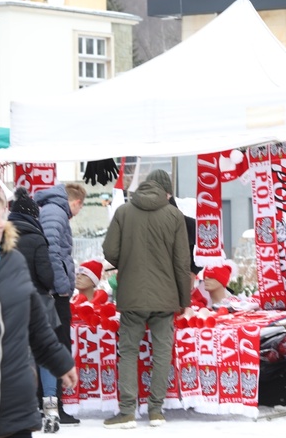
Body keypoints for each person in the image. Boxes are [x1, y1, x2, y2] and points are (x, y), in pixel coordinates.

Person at [0, 187, 78, 438]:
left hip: (17, 402)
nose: (1, 224)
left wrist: (61, 361)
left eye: (2, 216)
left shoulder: (13, 262)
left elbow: (36, 324)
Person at [102, 169, 191, 429]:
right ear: (166, 190)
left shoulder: (124, 212)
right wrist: (184, 299)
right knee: (162, 351)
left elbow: (109, 250)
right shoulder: (175, 216)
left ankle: (127, 411)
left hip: (132, 294)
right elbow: (181, 261)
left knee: (128, 351)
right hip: (166, 296)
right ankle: (156, 411)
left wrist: (126, 264)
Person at [8, 187, 63, 430]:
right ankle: (50, 407)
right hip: (39, 302)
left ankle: (25, 405)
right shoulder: (38, 238)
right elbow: (47, 277)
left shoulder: (1, 238)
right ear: (33, 215)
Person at [34, 182, 86, 425]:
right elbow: (53, 252)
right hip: (55, 294)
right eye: (81, 207)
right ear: (76, 202)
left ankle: (48, 404)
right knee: (58, 345)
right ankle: (55, 406)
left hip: (51, 292)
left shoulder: (51, 210)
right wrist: (62, 288)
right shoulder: (56, 213)